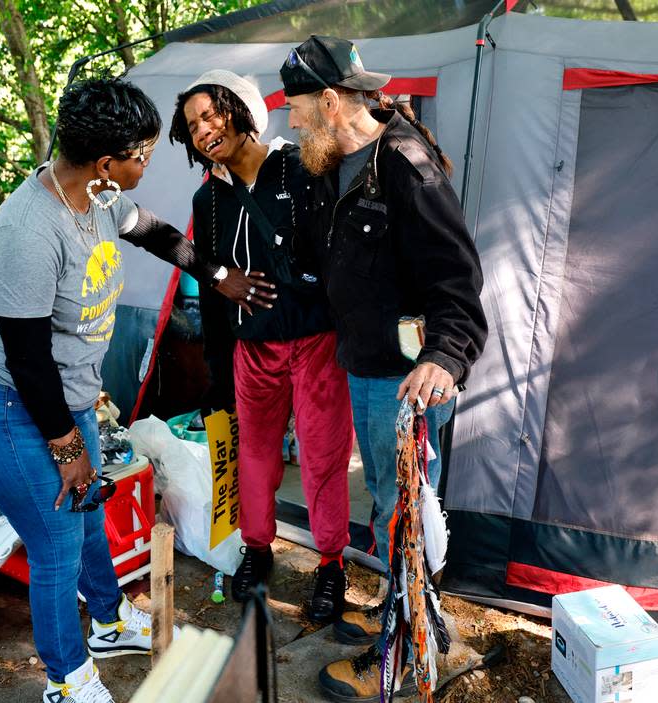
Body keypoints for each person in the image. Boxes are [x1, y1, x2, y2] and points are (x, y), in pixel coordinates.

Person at [0, 78, 265, 703]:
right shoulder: (27, 233)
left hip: (64, 400)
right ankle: (65, 680)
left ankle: (110, 625)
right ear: (104, 163)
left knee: (91, 511)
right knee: (58, 540)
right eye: (142, 152)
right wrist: (67, 448)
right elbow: (27, 358)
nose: (148, 162)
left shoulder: (95, 199)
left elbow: (153, 231)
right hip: (6, 407)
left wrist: (219, 274)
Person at [279, 36, 488, 702]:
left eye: (296, 105)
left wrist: (445, 356)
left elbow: (458, 281)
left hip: (403, 379)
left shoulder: (404, 164)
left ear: (331, 100)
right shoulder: (328, 164)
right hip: (362, 363)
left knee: (404, 514)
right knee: (396, 512)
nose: (290, 119)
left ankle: (403, 659)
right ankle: (411, 616)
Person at [168, 70, 355, 622]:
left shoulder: (302, 167)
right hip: (254, 350)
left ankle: (330, 563)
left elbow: (335, 255)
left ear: (239, 108)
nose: (204, 130)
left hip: (317, 341)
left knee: (323, 455)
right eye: (193, 126)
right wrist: (216, 374)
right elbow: (213, 291)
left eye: (211, 115)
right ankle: (256, 548)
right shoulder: (208, 201)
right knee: (255, 452)